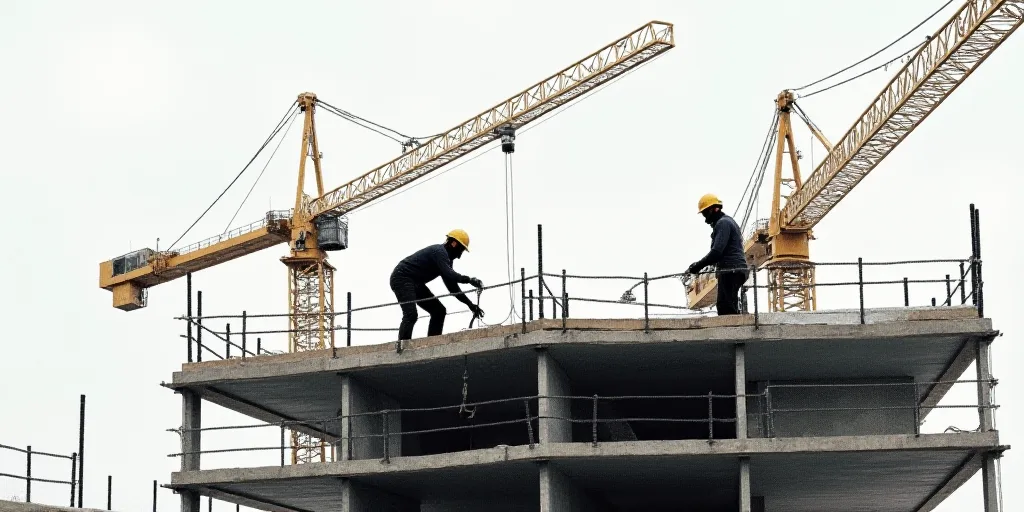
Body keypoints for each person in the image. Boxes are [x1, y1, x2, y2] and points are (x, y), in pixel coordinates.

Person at [390, 229, 485, 340]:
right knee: (411, 315)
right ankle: (402, 348)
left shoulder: (445, 260)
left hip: (416, 282)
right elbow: (451, 274)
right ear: (454, 244)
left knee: (439, 311)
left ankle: (432, 342)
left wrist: (470, 305)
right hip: (402, 278)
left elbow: (453, 288)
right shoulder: (439, 252)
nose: (460, 256)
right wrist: (469, 280)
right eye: (461, 250)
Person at [686, 194, 749, 315]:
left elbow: (716, 252)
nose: (705, 218)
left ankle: (732, 332)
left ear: (713, 209)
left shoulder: (723, 223)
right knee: (728, 305)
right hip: (734, 270)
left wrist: (697, 266)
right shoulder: (727, 222)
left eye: (705, 213)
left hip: (731, 270)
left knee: (725, 307)